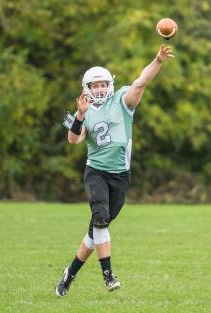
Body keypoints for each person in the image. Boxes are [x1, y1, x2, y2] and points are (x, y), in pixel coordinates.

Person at [56, 44, 174, 297]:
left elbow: (141, 82)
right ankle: (108, 275)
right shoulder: (82, 110)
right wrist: (78, 115)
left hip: (120, 175)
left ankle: (71, 273)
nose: (99, 88)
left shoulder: (122, 100)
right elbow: (73, 140)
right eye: (94, 85)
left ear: (110, 84)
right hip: (95, 172)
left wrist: (158, 60)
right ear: (86, 88)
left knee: (95, 230)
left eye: (103, 84)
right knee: (100, 220)